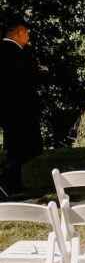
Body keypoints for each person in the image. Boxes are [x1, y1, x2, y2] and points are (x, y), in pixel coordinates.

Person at [0, 15, 44, 193]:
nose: (28, 37)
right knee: (34, 146)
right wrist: (42, 72)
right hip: (22, 109)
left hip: (4, 109)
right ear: (19, 32)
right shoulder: (18, 53)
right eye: (27, 33)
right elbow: (30, 79)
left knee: (16, 146)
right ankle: (4, 171)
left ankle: (12, 185)